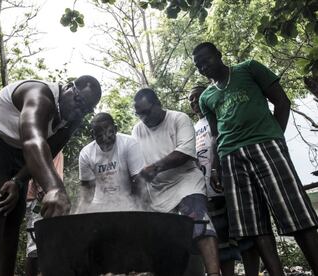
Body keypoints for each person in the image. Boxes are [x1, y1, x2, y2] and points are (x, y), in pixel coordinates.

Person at [193, 42, 318, 276]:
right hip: (230, 158)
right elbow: (215, 134)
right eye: (198, 65)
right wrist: (216, 168)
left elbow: (282, 102)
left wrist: (274, 138)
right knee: (253, 226)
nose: (202, 66)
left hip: (265, 146)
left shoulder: (248, 69)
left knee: (296, 213)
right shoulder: (206, 97)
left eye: (205, 59)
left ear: (219, 55)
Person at [0, 76, 101, 276]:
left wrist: (18, 180)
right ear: (69, 87)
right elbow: (34, 141)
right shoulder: (40, 95)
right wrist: (55, 188)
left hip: (16, 147)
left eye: (86, 109)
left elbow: (49, 150)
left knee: (14, 214)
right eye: (79, 101)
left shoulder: (72, 119)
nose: (79, 110)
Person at [132, 88, 221, 276]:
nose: (144, 118)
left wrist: (154, 168)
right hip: (156, 190)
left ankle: (214, 274)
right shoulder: (137, 129)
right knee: (160, 239)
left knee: (199, 221)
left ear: (158, 103)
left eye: (147, 112)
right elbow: (136, 164)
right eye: (139, 114)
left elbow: (185, 153)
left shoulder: (178, 119)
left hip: (185, 182)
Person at [189, 85, 260, 276]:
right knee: (221, 240)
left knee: (247, 235)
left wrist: (216, 169)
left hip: (231, 182)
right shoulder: (193, 128)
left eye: (197, 97)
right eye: (191, 100)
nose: (194, 102)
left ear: (207, 97)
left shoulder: (219, 115)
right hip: (208, 190)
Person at [75, 112, 145, 213]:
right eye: (99, 135)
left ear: (115, 129)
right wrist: (78, 215)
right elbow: (86, 193)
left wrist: (137, 210)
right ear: (92, 134)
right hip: (99, 207)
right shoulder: (86, 154)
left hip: (127, 205)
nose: (105, 139)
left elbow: (139, 182)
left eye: (109, 133)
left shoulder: (129, 144)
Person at [25, 152, 64, 276]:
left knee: (51, 243)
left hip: (52, 196)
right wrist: (41, 189)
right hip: (39, 198)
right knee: (35, 244)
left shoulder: (57, 140)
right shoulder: (44, 138)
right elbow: (36, 161)